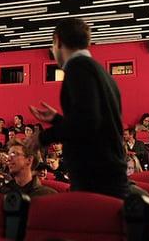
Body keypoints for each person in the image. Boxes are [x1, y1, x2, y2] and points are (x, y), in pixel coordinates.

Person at [29, 18, 129, 199]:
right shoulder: (98, 70)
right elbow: (93, 124)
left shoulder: (77, 67)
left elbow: (88, 121)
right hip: (106, 173)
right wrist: (57, 120)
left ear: (57, 41)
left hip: (95, 177)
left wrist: (43, 137)